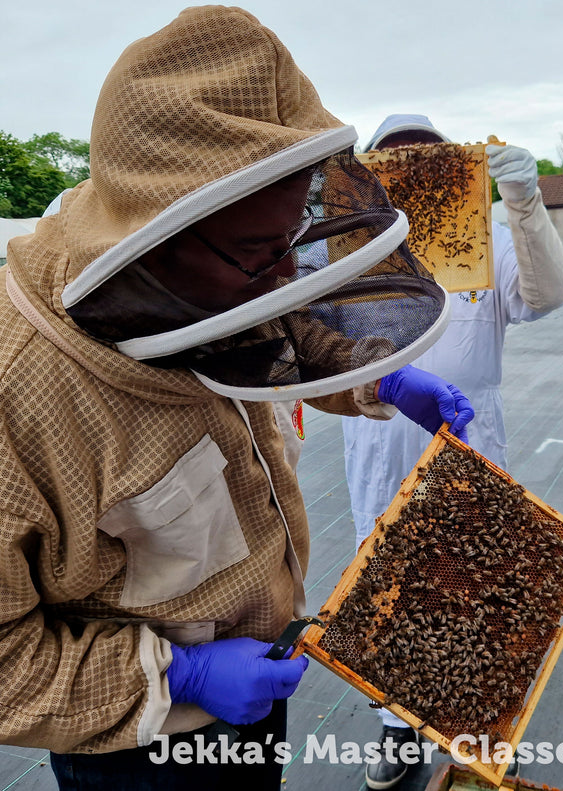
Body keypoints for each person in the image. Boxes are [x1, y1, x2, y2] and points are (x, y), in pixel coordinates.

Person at [0, 13, 474, 791]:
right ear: (152, 241)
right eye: (262, 254)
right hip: (138, 747)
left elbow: (270, 328)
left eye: (294, 239)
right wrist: (173, 676)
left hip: (258, 682)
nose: (286, 277)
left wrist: (372, 375)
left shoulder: (217, 269)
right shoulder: (19, 395)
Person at [341, 114, 563, 790]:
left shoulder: (491, 240)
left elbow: (549, 295)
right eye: (394, 160)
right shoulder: (351, 252)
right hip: (378, 461)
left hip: (470, 452)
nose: (412, 169)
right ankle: (397, 731)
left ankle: (477, 733)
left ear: (452, 167)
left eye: (426, 156)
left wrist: (525, 204)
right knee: (385, 601)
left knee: (475, 593)